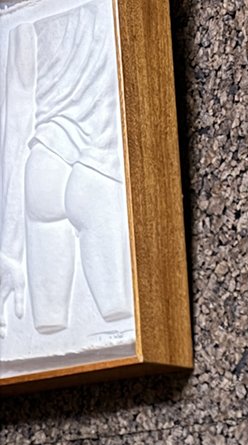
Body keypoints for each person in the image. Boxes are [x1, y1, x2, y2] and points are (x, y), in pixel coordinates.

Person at [0, 0, 132, 345]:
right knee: (120, 330)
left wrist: (9, 252)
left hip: (43, 163)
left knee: (48, 338)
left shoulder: (21, 21)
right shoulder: (111, 11)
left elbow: (14, 130)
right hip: (99, 169)